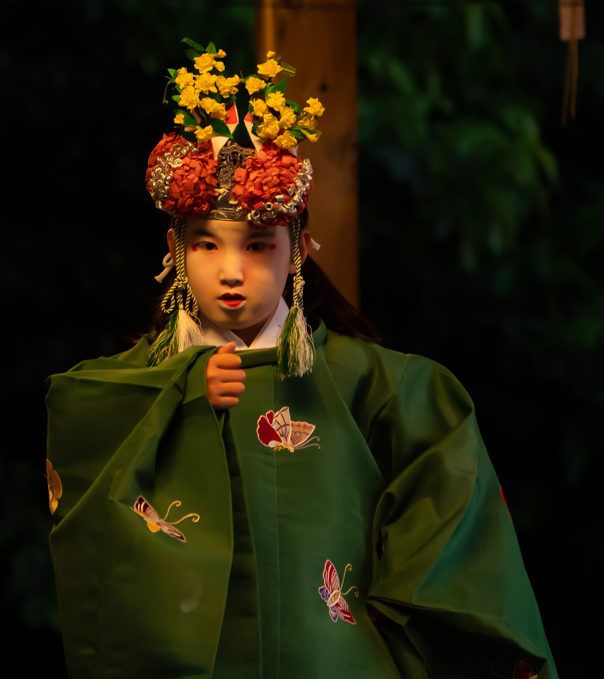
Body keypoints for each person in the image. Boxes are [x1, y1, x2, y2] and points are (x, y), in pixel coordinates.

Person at [46, 41, 557, 679]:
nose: (232, 271)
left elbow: (457, 539)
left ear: (298, 250)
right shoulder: (120, 391)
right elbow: (80, 446)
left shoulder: (387, 387)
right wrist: (176, 390)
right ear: (175, 248)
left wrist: (376, 639)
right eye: (206, 243)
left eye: (259, 245)